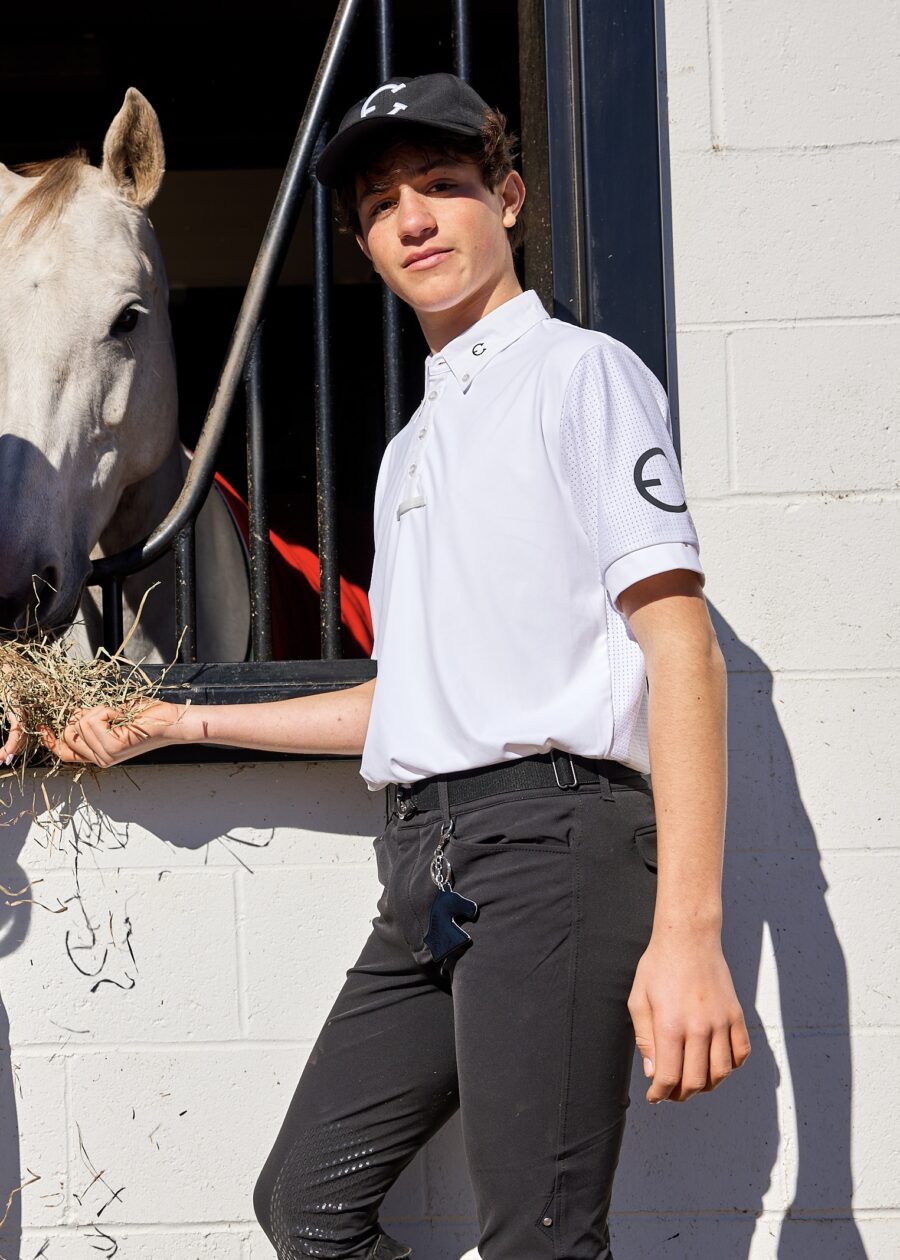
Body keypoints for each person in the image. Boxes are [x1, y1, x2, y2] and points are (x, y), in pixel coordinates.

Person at [2, 73, 750, 1260]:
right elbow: (408, 698)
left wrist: (689, 934)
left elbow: (684, 653)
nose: (414, 220)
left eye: (445, 186)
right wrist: (174, 723)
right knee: (306, 1204)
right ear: (362, 245)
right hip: (427, 866)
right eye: (382, 204)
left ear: (508, 200)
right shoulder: (408, 451)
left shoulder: (583, 378)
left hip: (551, 850)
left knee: (541, 1242)